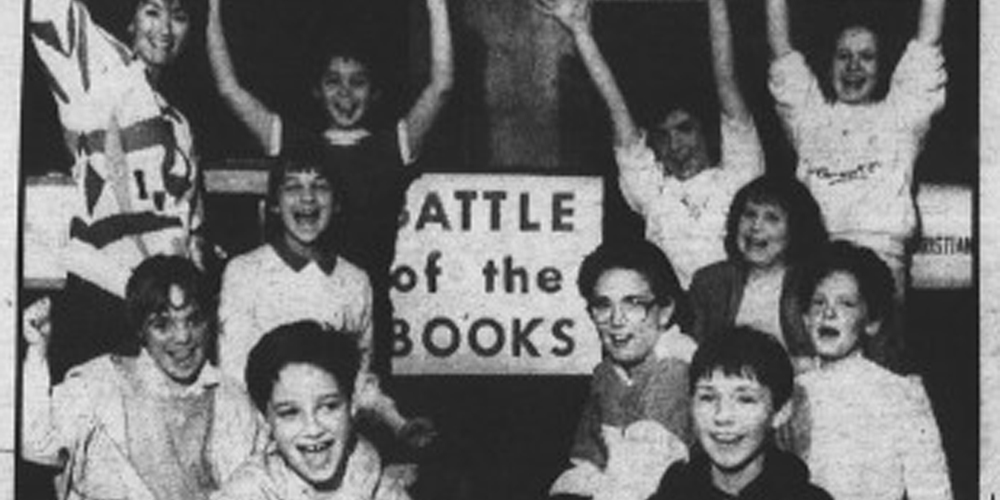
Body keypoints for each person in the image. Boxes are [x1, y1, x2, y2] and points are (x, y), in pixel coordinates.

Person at [207, 0, 453, 375]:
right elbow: (229, 89)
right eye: (333, 81)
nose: (345, 93)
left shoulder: (391, 148)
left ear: (375, 92)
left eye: (358, 82)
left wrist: (436, 6)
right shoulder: (295, 144)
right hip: (293, 311)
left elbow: (442, 86)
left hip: (360, 320)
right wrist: (212, 8)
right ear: (317, 90)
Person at [766, 0, 948, 372]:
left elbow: (928, 38)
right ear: (828, 63)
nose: (853, 66)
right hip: (816, 266)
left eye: (866, 57)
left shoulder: (901, 117)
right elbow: (780, 47)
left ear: (883, 67)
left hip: (881, 265)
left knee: (876, 382)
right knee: (812, 383)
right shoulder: (810, 117)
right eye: (843, 56)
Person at [30, 0, 208, 380]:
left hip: (162, 316)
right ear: (130, 21)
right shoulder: (101, 68)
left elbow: (190, 234)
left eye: (179, 16)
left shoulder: (180, 125)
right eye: (152, 11)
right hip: (100, 300)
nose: (165, 29)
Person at [538, 0, 764, 289]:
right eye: (663, 135)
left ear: (706, 132)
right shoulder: (654, 193)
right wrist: (580, 31)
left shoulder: (739, 178)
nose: (675, 143)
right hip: (674, 312)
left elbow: (726, 81)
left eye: (684, 129)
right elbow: (617, 111)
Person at [218, 156, 432, 447]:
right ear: (275, 204)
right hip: (262, 444)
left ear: (337, 202)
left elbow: (359, 382)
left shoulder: (355, 281)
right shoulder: (244, 272)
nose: (307, 198)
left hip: (331, 444)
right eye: (293, 187)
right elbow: (235, 380)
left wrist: (398, 423)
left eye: (320, 186)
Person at [21, 256, 262, 500]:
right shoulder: (98, 386)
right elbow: (37, 446)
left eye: (194, 320)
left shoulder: (233, 400)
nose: (183, 337)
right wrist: (37, 350)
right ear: (140, 330)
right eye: (162, 325)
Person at [783, 241, 952, 500]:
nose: (828, 313)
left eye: (846, 304)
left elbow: (932, 491)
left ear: (871, 322)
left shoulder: (902, 394)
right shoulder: (790, 392)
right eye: (818, 302)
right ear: (805, 318)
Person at [548, 239, 696, 500]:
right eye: (603, 305)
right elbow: (585, 465)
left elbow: (639, 487)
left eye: (634, 303)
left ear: (665, 311)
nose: (616, 320)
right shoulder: (607, 373)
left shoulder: (676, 369)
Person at [213, 321, 413, 500]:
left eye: (329, 406)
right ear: (265, 419)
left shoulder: (384, 491)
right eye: (290, 413)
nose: (313, 429)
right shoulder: (246, 491)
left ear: (352, 405)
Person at [647, 327, 833, 500]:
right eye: (708, 397)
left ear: (781, 412)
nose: (722, 416)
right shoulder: (672, 493)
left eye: (745, 399)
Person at [688, 175, 827, 371]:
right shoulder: (710, 281)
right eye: (749, 214)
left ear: (796, 229)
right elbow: (694, 354)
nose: (755, 226)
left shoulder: (815, 283)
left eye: (772, 218)